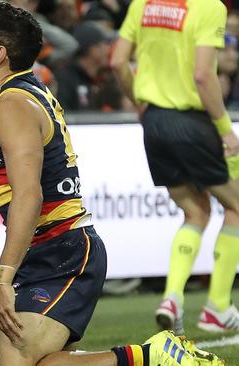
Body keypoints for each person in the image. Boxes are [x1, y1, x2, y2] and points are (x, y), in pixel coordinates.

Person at [0, 3, 222, 366]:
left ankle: (153, 357)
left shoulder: (11, 105)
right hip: (56, 250)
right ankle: (151, 357)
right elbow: (12, 186)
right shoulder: (21, 93)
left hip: (61, 252)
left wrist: (2, 278)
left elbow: (29, 195)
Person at [111, 0, 239, 335]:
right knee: (237, 207)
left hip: (154, 121)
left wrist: (139, 100)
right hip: (192, 121)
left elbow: (117, 61)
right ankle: (218, 307)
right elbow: (202, 74)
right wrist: (225, 128)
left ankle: (172, 298)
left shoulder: (143, 3)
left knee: (194, 212)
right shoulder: (209, 7)